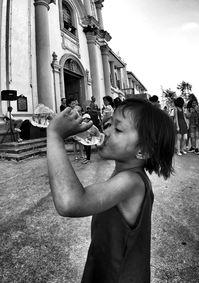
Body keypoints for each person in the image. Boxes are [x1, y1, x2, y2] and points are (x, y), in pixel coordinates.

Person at [47, 97, 175, 283]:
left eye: (118, 129)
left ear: (143, 151)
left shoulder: (131, 182)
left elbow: (70, 202)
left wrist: (55, 136)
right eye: (108, 124)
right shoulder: (123, 173)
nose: (106, 131)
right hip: (105, 269)